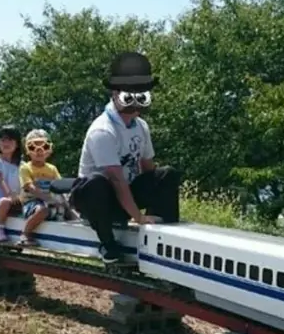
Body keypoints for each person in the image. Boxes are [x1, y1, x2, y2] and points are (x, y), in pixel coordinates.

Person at [69, 52, 182, 263]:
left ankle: (163, 235)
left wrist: (157, 197)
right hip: (97, 200)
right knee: (96, 183)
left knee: (167, 174)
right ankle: (108, 244)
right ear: (115, 94)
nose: (135, 105)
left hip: (124, 195)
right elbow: (116, 179)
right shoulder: (103, 130)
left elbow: (147, 166)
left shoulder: (141, 126)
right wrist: (137, 217)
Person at [17, 129, 73, 246]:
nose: (39, 151)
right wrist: (47, 198)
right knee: (42, 210)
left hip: (50, 200)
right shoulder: (25, 168)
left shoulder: (52, 168)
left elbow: (60, 186)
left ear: (49, 150)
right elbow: (29, 187)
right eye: (33, 148)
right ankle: (25, 233)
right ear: (28, 151)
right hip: (32, 202)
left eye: (44, 147)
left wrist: (66, 202)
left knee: (69, 209)